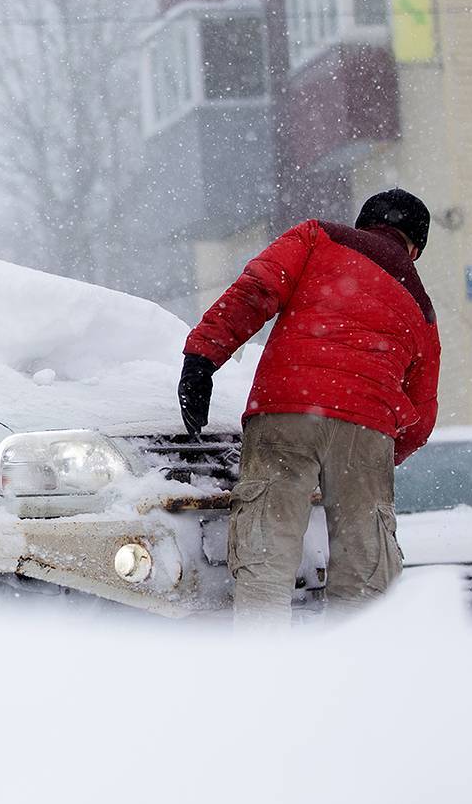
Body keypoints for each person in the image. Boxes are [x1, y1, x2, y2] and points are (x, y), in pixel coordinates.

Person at [178, 189, 441, 627]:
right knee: (364, 570)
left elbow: (256, 290)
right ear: (415, 247)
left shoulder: (316, 237)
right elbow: (422, 412)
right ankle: (351, 675)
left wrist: (202, 360)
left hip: (286, 408)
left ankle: (261, 665)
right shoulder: (422, 307)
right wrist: (372, 460)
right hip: (369, 427)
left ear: (364, 223)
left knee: (266, 551)